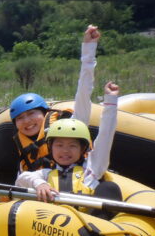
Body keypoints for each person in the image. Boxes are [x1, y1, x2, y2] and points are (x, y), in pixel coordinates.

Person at [15, 81, 121, 217]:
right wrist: (40, 184)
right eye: (59, 145)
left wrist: (111, 101)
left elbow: (106, 135)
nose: (65, 151)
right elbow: (22, 179)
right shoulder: (45, 175)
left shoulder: (92, 171)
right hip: (50, 229)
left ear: (82, 149)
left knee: (109, 188)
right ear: (51, 148)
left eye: (72, 146)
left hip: (88, 228)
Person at [9, 24, 100, 172]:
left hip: (80, 183)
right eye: (20, 118)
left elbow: (84, 90)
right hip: (45, 186)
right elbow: (23, 178)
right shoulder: (23, 147)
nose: (27, 121)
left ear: (45, 113)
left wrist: (88, 50)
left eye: (31, 113)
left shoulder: (72, 124)